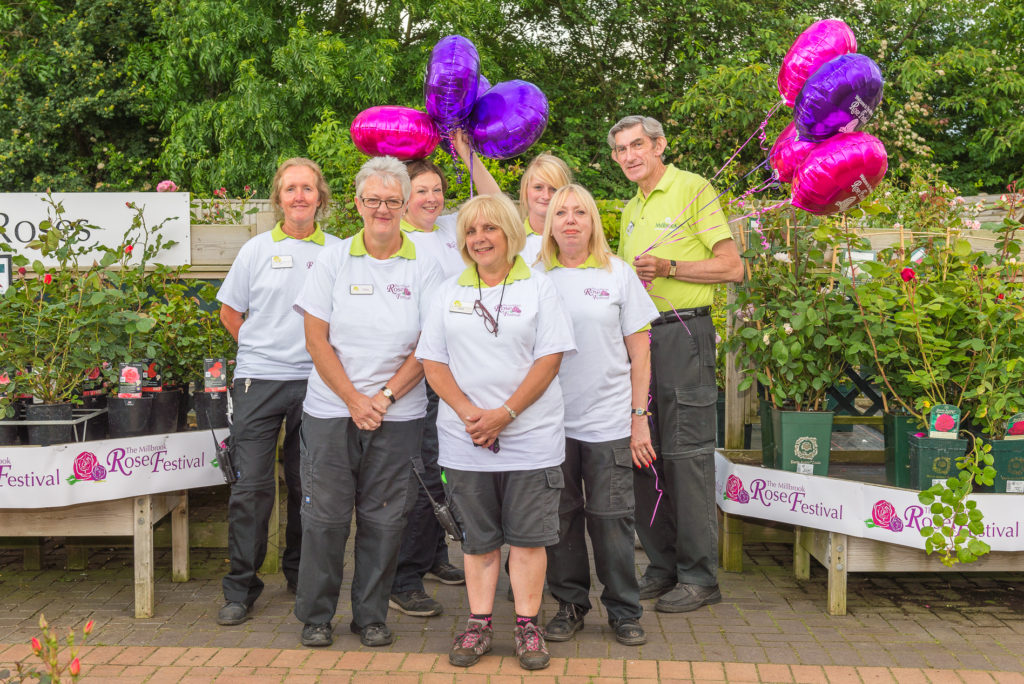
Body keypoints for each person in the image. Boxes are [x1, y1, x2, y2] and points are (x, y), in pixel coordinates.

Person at [416, 193, 576, 671]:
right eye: (470, 231)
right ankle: (479, 624)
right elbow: (432, 361)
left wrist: (504, 413)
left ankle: (527, 626)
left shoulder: (540, 288)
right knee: (478, 541)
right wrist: (472, 415)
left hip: (531, 439)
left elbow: (550, 359)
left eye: (489, 228)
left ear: (510, 233)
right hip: (465, 439)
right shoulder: (448, 292)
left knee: (528, 540)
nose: (479, 238)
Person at [292, 156, 443, 648]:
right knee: (325, 519)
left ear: (405, 205)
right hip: (331, 412)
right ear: (357, 203)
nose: (382, 209)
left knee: (385, 518)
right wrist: (354, 398)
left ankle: (371, 616)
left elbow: (430, 344)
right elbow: (316, 339)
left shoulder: (426, 264)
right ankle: (316, 616)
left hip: (398, 415)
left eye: (392, 201)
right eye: (373, 200)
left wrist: (383, 397)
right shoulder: (333, 259)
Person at [609, 115, 743, 613]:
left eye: (637, 145)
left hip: (685, 335)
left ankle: (699, 577)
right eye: (621, 149)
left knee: (686, 457)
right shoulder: (630, 209)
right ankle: (663, 567)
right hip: (640, 341)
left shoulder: (693, 188)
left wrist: (670, 267)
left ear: (659, 145)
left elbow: (733, 267)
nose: (629, 156)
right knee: (645, 454)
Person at [215, 157, 341, 627]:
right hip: (259, 380)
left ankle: (299, 575)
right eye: (291, 189)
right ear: (279, 198)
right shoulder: (256, 250)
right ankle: (241, 588)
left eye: (308, 188)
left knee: (309, 485)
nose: (300, 196)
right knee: (250, 487)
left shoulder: (339, 252)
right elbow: (230, 313)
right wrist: (261, 348)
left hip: (318, 381)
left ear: (320, 197)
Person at [538, 184, 659, 645]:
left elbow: (641, 353)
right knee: (561, 519)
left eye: (580, 213)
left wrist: (638, 417)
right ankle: (570, 604)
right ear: (550, 224)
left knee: (612, 521)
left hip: (608, 421)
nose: (570, 221)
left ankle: (624, 610)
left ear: (593, 222)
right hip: (549, 424)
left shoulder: (618, 274)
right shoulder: (533, 275)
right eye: (561, 213)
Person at [387, 131, 501, 620]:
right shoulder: (397, 240)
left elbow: (497, 203)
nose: (432, 198)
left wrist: (465, 151)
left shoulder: (454, 228)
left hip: (462, 368)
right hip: (421, 372)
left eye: (437, 190)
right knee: (423, 474)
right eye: (421, 192)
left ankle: (433, 557)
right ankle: (403, 578)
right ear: (402, 198)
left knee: (444, 471)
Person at [518, 152, 573, 265]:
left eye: (554, 189)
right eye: (538, 187)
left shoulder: (579, 239)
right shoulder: (512, 240)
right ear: (526, 189)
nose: (546, 196)